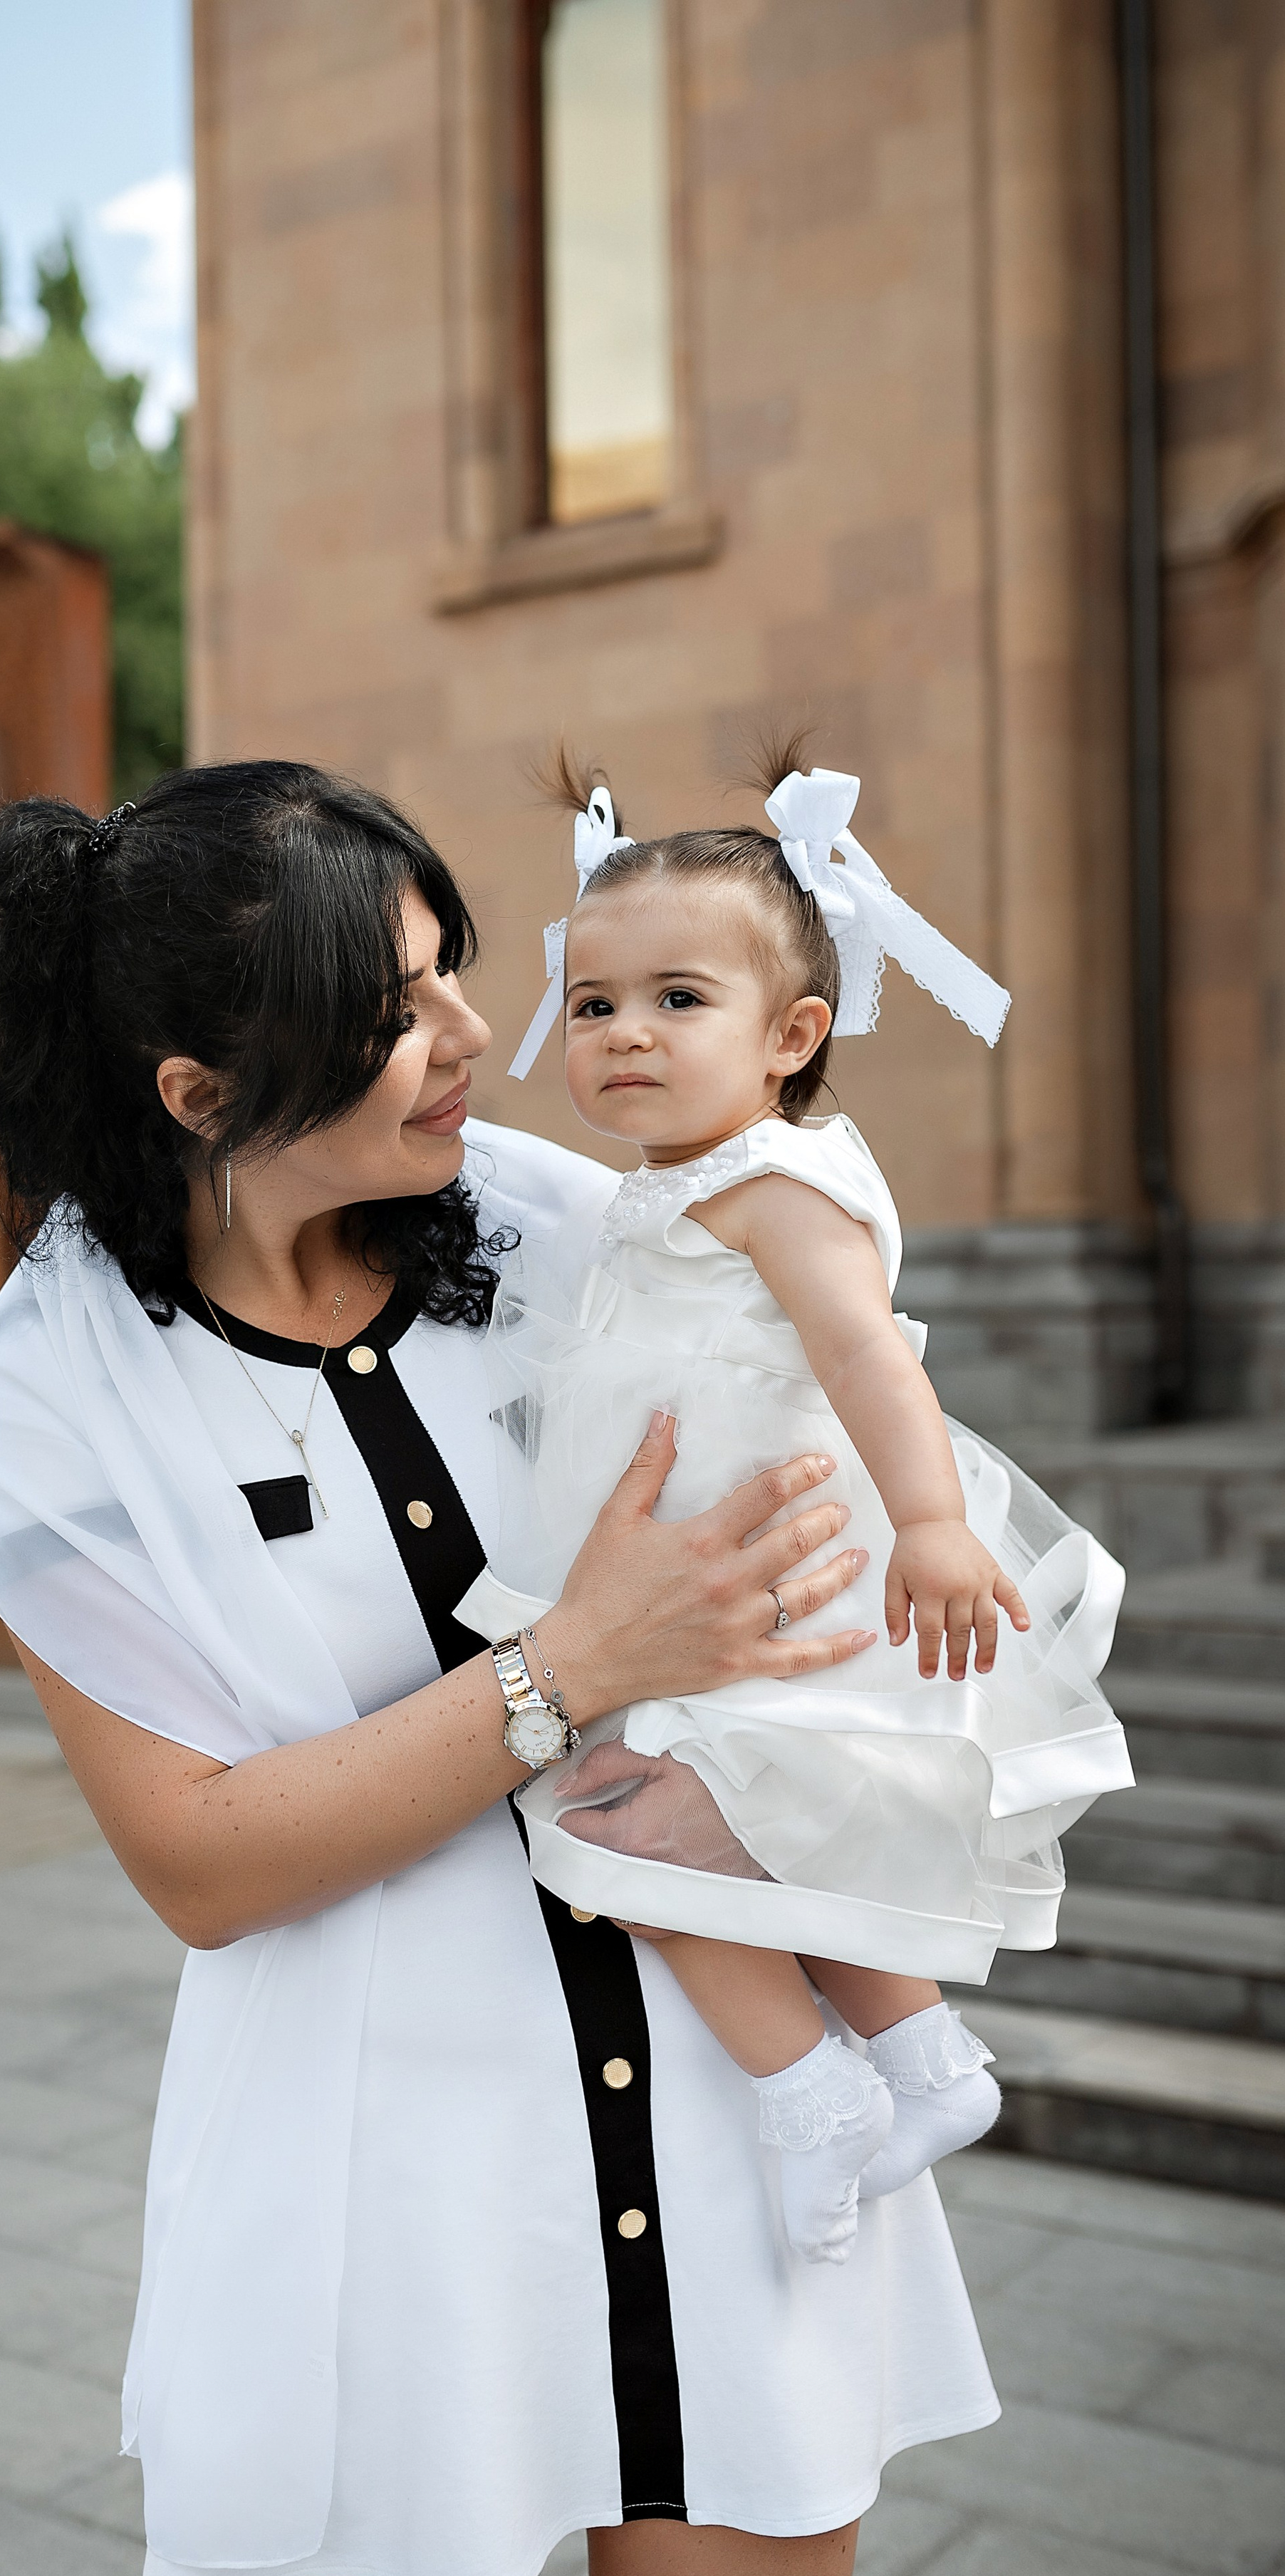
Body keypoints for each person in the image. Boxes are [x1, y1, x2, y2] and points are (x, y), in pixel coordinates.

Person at [0, 761, 1002, 2576]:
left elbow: (822, 1439)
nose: (467, 1042)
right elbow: (202, 1858)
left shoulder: (571, 1215)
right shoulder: (52, 1385)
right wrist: (574, 1664)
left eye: (451, 976)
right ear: (202, 1092)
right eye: (391, 1015)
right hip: (388, 2208)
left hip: (751, 2141)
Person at [464, 744, 1131, 2269]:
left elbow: (861, 1352)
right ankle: (910, 2061)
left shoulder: (770, 1179)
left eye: (675, 1001)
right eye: (593, 1003)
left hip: (775, 1559)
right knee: (687, 1816)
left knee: (624, 1818)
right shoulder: (675, 1182)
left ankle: (812, 2083)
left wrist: (931, 1524)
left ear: (791, 1035)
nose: (624, 1035)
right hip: (689, 1561)